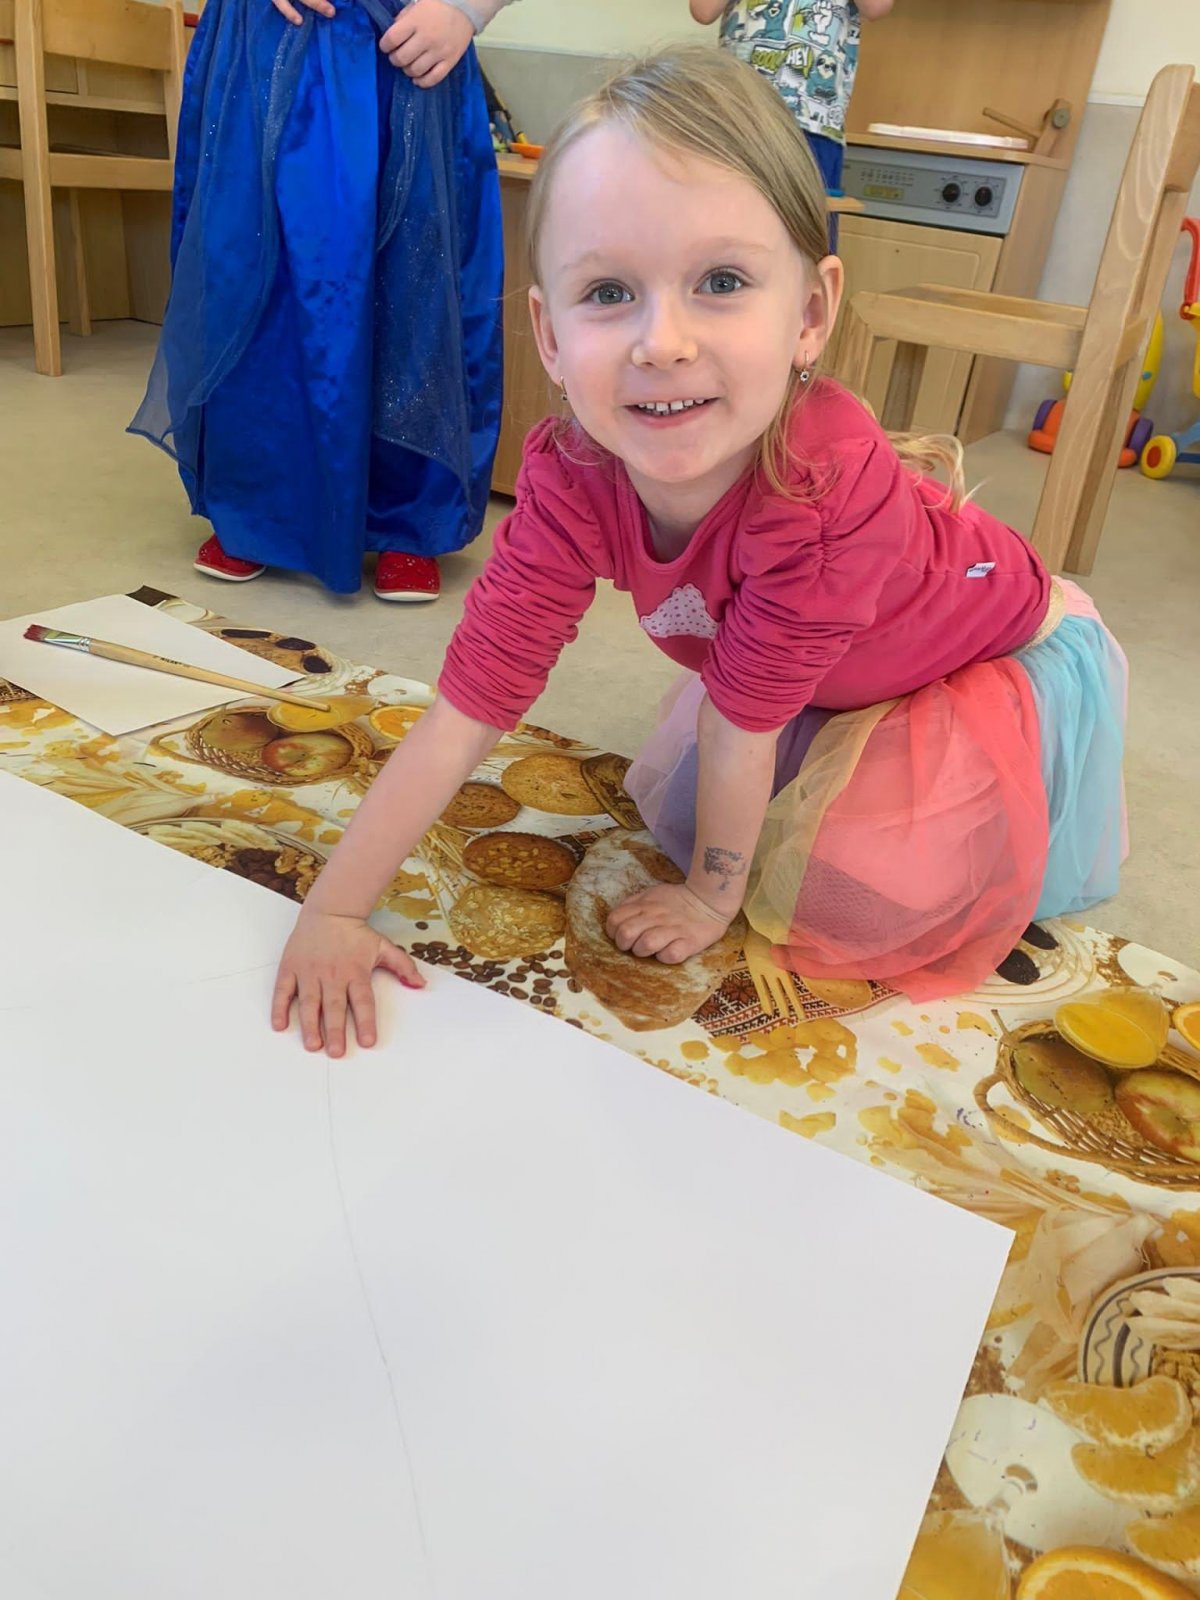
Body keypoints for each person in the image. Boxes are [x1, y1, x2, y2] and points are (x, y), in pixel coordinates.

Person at [271, 46, 1126, 1057]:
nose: (662, 342)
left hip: (982, 652)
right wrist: (334, 908)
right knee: (732, 774)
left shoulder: (819, 497)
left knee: (854, 902)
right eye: (608, 292)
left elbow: (743, 720)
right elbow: (474, 699)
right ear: (548, 336)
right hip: (817, 666)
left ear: (810, 315)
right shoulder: (570, 473)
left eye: (721, 281)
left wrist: (712, 896)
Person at [130, 0, 518, 603]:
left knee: (415, 280)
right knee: (251, 271)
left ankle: (410, 516)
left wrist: (468, 8)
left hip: (411, 37)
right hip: (263, 34)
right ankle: (254, 506)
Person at [688, 0, 892, 208]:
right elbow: (703, 11)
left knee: (802, 219)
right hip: (737, 114)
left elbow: (876, 7)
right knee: (725, 212)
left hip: (812, 119)